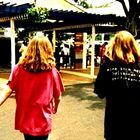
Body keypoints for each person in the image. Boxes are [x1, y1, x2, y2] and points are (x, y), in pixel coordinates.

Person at [0, 36, 65, 140]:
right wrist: (55, 107)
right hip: (43, 119)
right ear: (48, 49)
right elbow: (58, 97)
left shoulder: (19, 68)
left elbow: (8, 89)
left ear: (29, 49)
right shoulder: (52, 71)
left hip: (26, 119)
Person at [94, 30, 140, 140]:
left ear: (114, 45)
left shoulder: (107, 66)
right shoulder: (139, 66)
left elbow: (100, 92)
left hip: (114, 122)